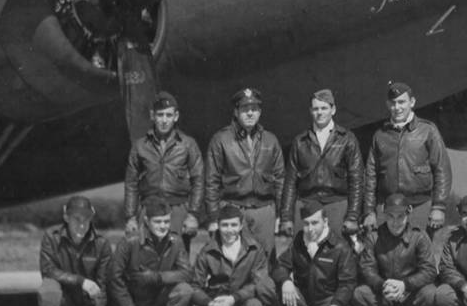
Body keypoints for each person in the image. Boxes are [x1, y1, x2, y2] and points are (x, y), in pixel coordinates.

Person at [204, 87, 285, 259]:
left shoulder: (270, 140)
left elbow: (280, 180)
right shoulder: (221, 140)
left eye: (254, 109)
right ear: (235, 111)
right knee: (234, 260)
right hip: (233, 209)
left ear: (260, 112)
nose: (250, 113)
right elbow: (211, 181)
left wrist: (281, 215)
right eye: (245, 109)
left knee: (266, 260)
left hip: (264, 211)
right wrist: (213, 218)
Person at [362, 81, 452, 236]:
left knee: (421, 255)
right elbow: (370, 177)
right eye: (393, 103)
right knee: (385, 257)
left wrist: (439, 207)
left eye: (402, 102)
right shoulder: (380, 135)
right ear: (387, 104)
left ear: (412, 102)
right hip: (388, 207)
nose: (397, 108)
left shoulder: (428, 130)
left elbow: (442, 169)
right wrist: (369, 211)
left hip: (419, 206)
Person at [183, 204, 276, 306]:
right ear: (218, 226)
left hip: (240, 302)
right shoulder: (207, 251)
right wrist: (209, 303)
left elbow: (257, 282)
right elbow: (195, 285)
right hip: (215, 304)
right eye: (225, 225)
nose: (229, 230)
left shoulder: (254, 249)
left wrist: (234, 298)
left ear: (241, 226)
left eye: (234, 225)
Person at [109, 197, 194, 306]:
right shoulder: (129, 242)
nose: (163, 226)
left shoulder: (176, 241)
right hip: (135, 304)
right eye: (158, 222)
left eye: (166, 221)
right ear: (147, 221)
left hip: (159, 302)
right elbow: (114, 279)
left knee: (185, 290)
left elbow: (187, 273)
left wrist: (156, 277)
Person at [352, 193, 437, 306]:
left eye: (400, 216)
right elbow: (367, 268)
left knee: (430, 293)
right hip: (385, 293)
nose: (396, 222)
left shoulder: (419, 237)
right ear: (384, 213)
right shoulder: (374, 237)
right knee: (360, 293)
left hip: (410, 294)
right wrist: (382, 285)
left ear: (409, 212)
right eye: (390, 216)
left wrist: (406, 285)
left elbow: (429, 270)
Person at [270, 201, 356, 306]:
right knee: (276, 287)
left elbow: (348, 282)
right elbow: (280, 265)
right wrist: (286, 281)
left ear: (325, 221)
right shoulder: (298, 241)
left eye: (315, 223)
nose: (310, 229)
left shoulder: (340, 246)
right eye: (306, 223)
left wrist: (337, 304)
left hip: (327, 301)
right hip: (304, 301)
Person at [123, 91, 204, 253]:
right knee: (145, 258)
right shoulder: (140, 146)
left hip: (177, 209)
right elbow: (131, 183)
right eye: (160, 115)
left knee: (177, 258)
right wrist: (131, 217)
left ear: (176, 116)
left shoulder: (188, 145)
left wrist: (193, 214)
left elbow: (199, 181)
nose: (165, 120)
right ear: (153, 116)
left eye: (169, 115)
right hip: (149, 208)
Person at [35, 196, 112, 306]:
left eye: (86, 220)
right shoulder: (51, 237)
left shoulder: (102, 244)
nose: (82, 225)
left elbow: (103, 284)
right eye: (76, 219)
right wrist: (81, 281)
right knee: (48, 290)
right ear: (66, 217)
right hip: (62, 296)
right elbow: (48, 270)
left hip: (85, 303)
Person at [278, 88, 362, 239]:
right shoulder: (300, 142)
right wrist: (286, 217)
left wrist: (353, 216)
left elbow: (356, 180)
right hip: (306, 205)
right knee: (305, 255)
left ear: (333, 110)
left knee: (339, 254)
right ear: (311, 111)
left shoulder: (347, 139)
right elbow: (290, 182)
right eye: (316, 108)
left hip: (337, 205)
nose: (320, 112)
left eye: (324, 108)